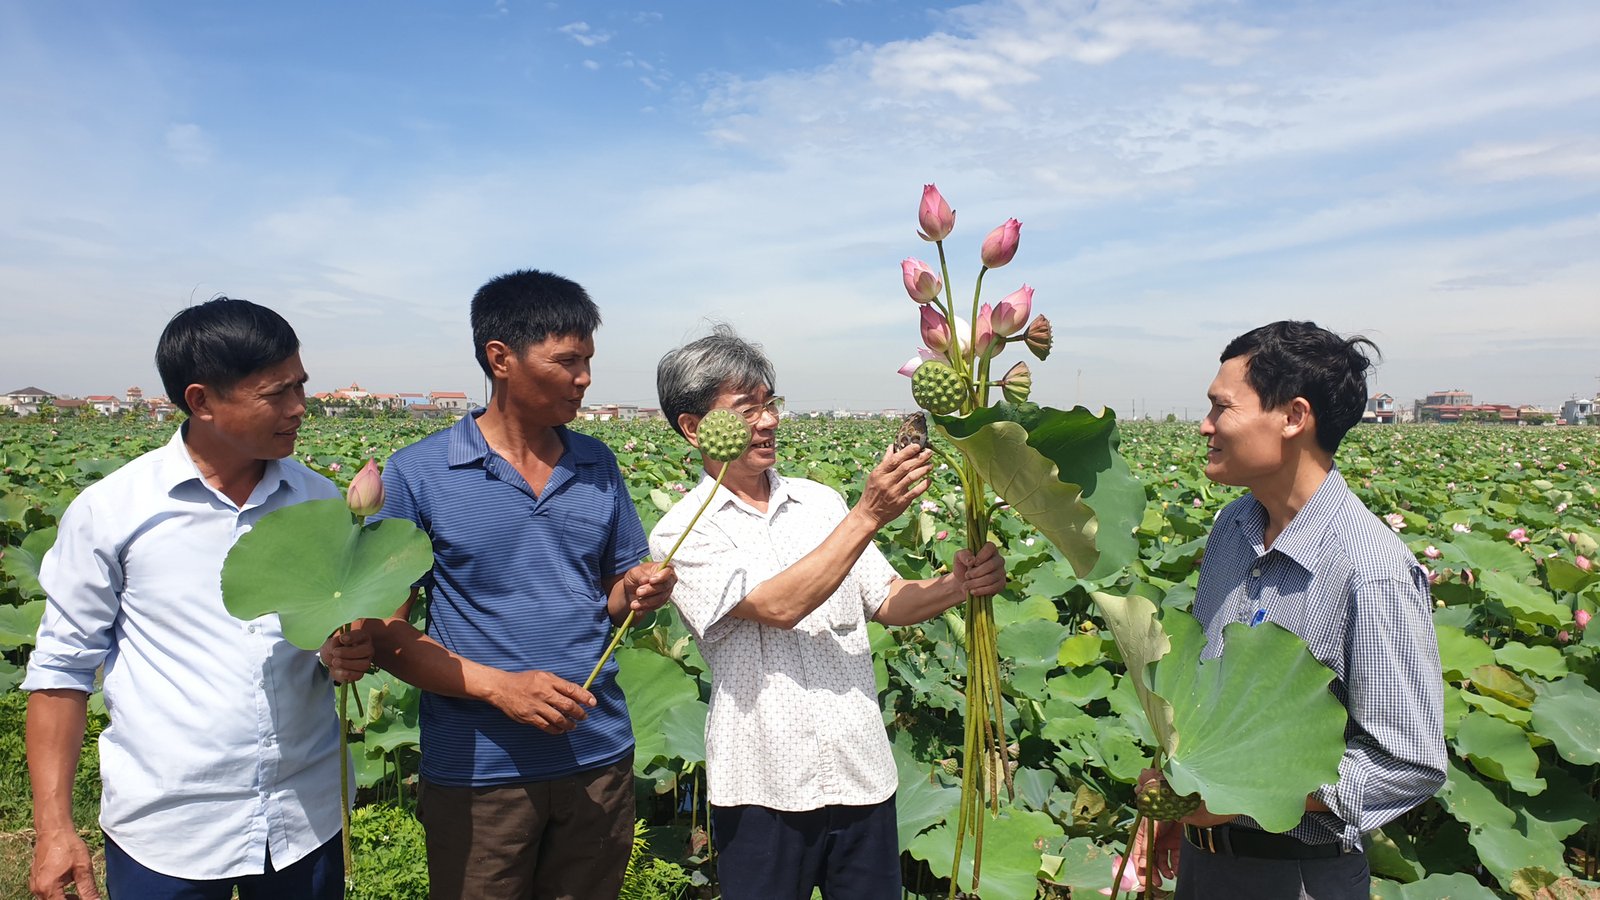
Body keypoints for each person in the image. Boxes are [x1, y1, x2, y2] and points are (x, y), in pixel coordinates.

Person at [24, 298, 372, 900]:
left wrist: (336, 652)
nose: (298, 410)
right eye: (275, 395)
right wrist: (53, 829)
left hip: (303, 814)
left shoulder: (321, 502)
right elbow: (61, 670)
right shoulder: (113, 512)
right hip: (170, 826)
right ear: (201, 400)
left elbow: (315, 629)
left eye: (301, 387)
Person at [650, 327, 1007, 899]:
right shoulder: (681, 531)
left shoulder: (820, 502)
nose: (767, 422)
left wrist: (959, 584)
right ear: (694, 429)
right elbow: (780, 605)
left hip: (860, 771)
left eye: (770, 405)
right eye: (746, 410)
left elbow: (888, 599)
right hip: (763, 785)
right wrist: (869, 514)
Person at [360, 269, 675, 900]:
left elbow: (613, 601)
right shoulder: (418, 473)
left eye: (588, 360)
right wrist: (502, 688)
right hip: (480, 770)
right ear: (500, 359)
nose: (583, 378)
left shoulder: (598, 463)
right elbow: (384, 633)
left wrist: (639, 593)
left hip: (598, 753)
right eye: (565, 361)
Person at [1134, 320, 1446, 899]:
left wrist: (1246, 788)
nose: (1204, 427)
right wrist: (1180, 804)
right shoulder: (1232, 528)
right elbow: (1202, 697)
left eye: (1221, 408)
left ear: (1294, 417)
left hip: (1295, 876)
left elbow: (1408, 764)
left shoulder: (1371, 569)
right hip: (1204, 868)